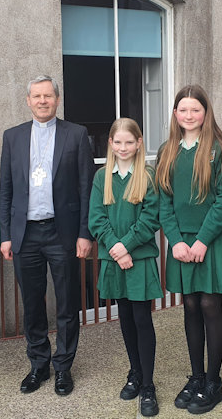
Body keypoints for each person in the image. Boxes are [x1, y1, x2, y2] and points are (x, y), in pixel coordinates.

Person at [0, 75, 95, 396]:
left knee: (67, 304)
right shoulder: (12, 137)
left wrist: (85, 233)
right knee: (32, 304)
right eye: (36, 96)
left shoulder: (77, 135)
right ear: (28, 101)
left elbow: (85, 188)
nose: (42, 101)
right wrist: (5, 235)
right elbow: (7, 191)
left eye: (48, 96)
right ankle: (38, 365)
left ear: (57, 99)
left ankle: (63, 367)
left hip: (62, 233)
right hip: (25, 235)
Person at [155, 84, 222, 415]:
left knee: (209, 305)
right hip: (180, 243)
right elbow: (164, 200)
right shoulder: (168, 149)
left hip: (211, 241)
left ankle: (213, 382)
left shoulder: (217, 148)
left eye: (196, 110)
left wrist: (202, 240)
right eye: (183, 110)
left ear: (206, 113)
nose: (189, 115)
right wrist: (176, 241)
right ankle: (197, 376)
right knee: (189, 306)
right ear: (175, 114)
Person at [88, 118, 162, 417]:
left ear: (139, 143)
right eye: (117, 142)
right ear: (110, 144)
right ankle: (134, 371)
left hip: (139, 259)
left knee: (142, 318)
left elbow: (150, 218)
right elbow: (96, 218)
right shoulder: (101, 177)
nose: (123, 148)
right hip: (114, 259)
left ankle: (147, 385)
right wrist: (117, 250)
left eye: (129, 142)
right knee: (126, 319)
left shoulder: (147, 175)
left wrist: (126, 246)